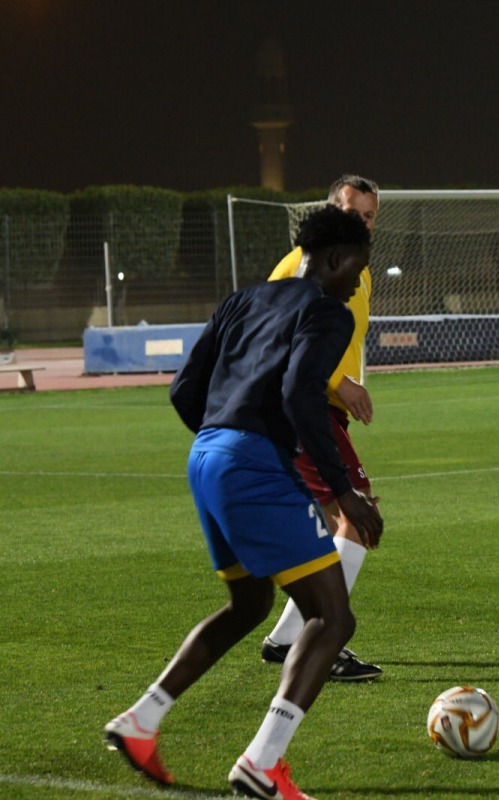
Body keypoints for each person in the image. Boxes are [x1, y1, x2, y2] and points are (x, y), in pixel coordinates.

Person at [104, 205, 384, 799]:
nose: (357, 283)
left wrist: (223, 442)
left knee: (248, 605)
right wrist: (343, 493)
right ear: (336, 259)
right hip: (251, 464)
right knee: (331, 618)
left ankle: (140, 721)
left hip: (206, 455)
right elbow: (300, 393)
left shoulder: (244, 299)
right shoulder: (327, 312)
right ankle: (262, 763)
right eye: (357, 271)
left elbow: (185, 388)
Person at [260, 174, 383, 681]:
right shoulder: (300, 265)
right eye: (354, 213)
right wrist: (340, 383)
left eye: (370, 216)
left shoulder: (360, 269)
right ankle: (319, 639)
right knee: (359, 516)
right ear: (333, 209)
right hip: (303, 405)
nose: (362, 223)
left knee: (342, 521)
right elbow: (277, 333)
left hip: (318, 406)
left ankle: (289, 637)